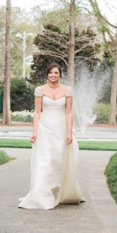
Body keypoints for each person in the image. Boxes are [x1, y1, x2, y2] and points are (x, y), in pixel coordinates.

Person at [18, 63, 84, 209]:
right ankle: (42, 194)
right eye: (50, 73)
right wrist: (34, 131)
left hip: (61, 129)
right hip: (45, 128)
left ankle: (61, 192)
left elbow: (68, 112)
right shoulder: (40, 90)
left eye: (56, 73)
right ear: (47, 74)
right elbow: (36, 112)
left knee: (58, 161)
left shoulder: (67, 90)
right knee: (44, 161)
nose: (53, 75)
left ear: (60, 74)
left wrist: (69, 131)